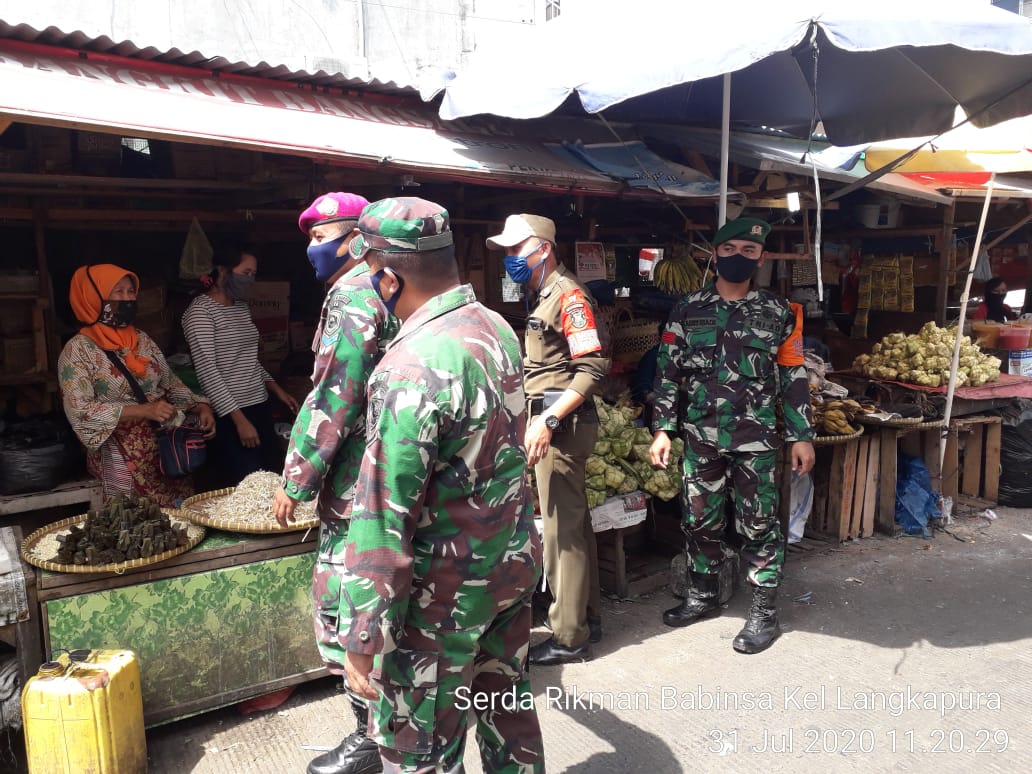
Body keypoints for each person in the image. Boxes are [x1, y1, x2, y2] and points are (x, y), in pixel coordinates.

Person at [338, 197, 544, 773]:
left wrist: (361, 636)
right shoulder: (494, 327)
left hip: (442, 600)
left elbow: (383, 514)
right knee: (506, 714)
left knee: (418, 747)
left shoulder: (411, 366)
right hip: (507, 569)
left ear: (386, 277)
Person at [649, 217, 815, 655]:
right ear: (715, 253)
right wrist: (663, 429)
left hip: (755, 437)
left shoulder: (780, 313)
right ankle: (702, 596)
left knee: (758, 523)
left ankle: (763, 612)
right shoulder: (687, 309)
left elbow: (793, 375)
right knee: (699, 519)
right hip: (700, 434)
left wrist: (802, 434)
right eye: (729, 249)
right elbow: (667, 372)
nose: (738, 257)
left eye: (748, 250)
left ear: (761, 256)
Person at [271, 191, 393, 774]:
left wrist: (294, 480)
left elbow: (333, 400)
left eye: (321, 239)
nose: (311, 250)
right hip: (383, 476)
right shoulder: (382, 289)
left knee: (348, 609)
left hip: (355, 485)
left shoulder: (352, 297)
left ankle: (374, 739)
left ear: (354, 238)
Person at [486, 213, 610, 666]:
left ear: (542, 248)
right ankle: (586, 618)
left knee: (561, 533)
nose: (509, 258)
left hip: (562, 427)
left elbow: (593, 367)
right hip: (556, 423)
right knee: (573, 526)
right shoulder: (545, 294)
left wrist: (548, 421)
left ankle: (569, 637)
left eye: (516, 249)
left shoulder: (568, 296)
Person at [58, 264, 215, 507]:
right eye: (117, 292)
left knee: (181, 524)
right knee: (135, 527)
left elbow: (169, 382)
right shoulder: (78, 350)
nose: (127, 298)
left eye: (131, 292)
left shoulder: (142, 339)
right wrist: (142, 411)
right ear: (93, 298)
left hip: (166, 452)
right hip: (120, 455)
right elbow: (79, 410)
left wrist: (200, 407)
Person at [182, 245, 299, 488]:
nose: (251, 280)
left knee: (270, 479)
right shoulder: (199, 313)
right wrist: (240, 421)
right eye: (246, 272)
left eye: (253, 274)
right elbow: (207, 372)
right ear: (223, 271)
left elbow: (248, 359)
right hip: (230, 415)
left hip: (259, 405)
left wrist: (276, 389)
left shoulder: (241, 307)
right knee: (245, 485)